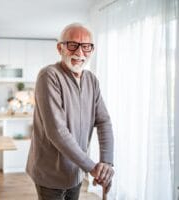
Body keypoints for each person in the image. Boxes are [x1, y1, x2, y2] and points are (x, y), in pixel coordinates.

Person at [26, 23, 114, 200]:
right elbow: (57, 131)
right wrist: (92, 167)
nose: (80, 53)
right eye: (73, 45)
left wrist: (106, 163)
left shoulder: (92, 81)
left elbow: (104, 122)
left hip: (76, 171)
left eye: (86, 46)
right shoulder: (49, 75)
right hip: (50, 173)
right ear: (60, 48)